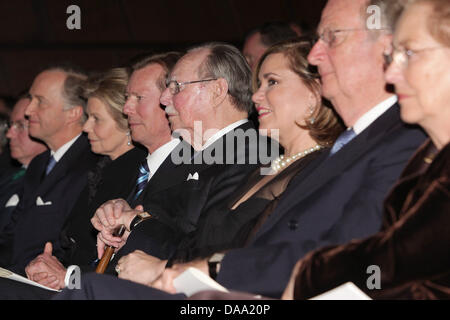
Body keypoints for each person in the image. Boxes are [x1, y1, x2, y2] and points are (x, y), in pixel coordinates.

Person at [281, 0, 450, 300]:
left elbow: (393, 259)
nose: (391, 74)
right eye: (392, 55)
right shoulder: (426, 160)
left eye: (409, 53)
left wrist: (307, 274)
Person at [87, 42, 270, 287]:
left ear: (217, 91)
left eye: (175, 87)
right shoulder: (191, 153)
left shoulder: (250, 156)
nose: (164, 99)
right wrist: (120, 213)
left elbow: (205, 254)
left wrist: (136, 222)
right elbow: (160, 220)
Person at [0, 66, 100, 275]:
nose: (29, 111)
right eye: (31, 100)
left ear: (73, 113)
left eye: (40, 101)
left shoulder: (93, 164)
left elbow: (75, 247)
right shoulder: (40, 163)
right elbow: (12, 234)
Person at [0, 95, 47, 231]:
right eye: (10, 124)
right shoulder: (10, 172)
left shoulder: (50, 180)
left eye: (20, 125)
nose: (9, 134)